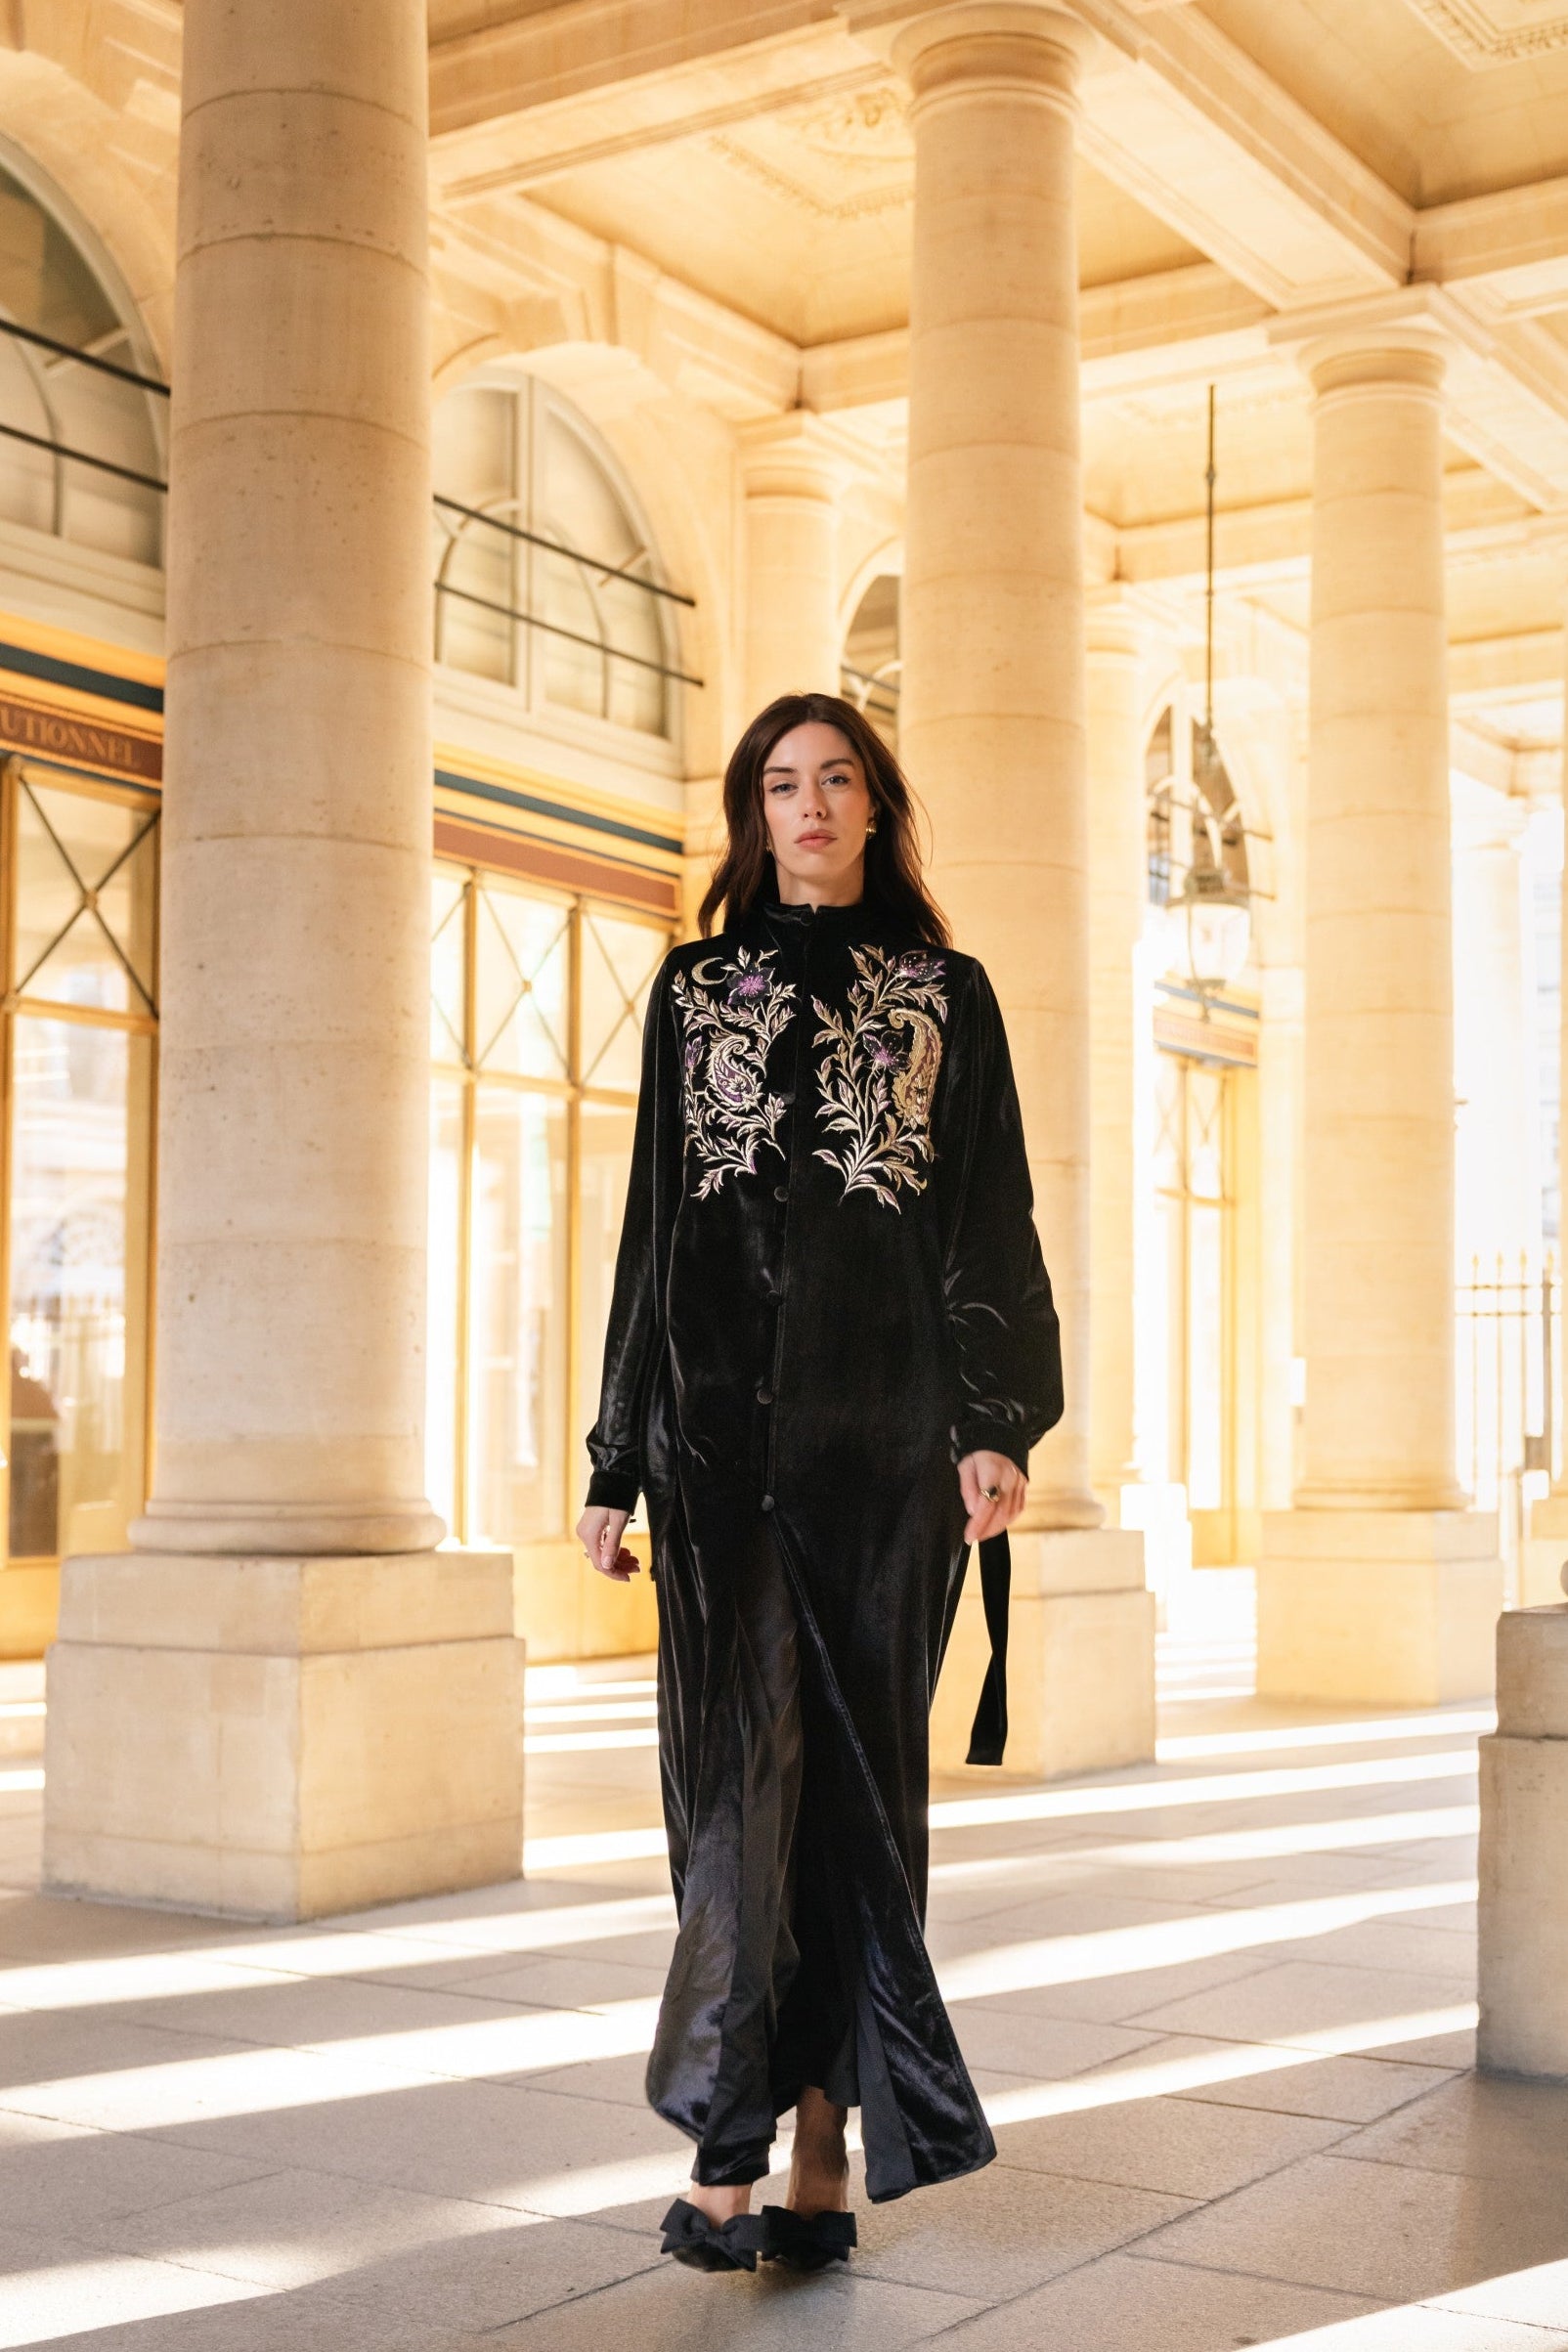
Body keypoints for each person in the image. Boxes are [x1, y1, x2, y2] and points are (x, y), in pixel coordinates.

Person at [576, 690, 1064, 2275]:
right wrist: (614, 1452)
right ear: (753, 811)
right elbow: (656, 1229)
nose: (808, 806)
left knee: (855, 1798)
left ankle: (818, 2144)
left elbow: (990, 1220)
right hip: (718, 1465)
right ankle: (735, 2132)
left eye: (835, 779)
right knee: (737, 1792)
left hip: (881, 1459)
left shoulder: (945, 994)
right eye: (781, 783)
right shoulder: (692, 988)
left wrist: (996, 1419)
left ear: (875, 804)